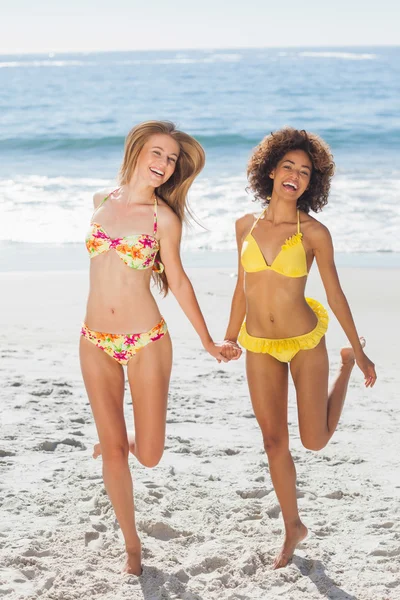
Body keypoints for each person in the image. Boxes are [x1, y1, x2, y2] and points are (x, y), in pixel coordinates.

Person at [80, 121, 237, 576]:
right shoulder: (100, 202)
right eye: (157, 153)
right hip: (94, 340)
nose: (164, 165)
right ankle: (132, 546)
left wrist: (208, 340)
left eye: (171, 159)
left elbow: (179, 280)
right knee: (113, 453)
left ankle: (123, 441)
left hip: (147, 340)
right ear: (136, 150)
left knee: (148, 454)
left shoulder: (162, 219)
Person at [222, 127, 377, 569]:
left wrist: (357, 351)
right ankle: (293, 526)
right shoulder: (244, 226)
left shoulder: (314, 232)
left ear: (313, 183)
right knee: (274, 441)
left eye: (305, 171)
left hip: (305, 341)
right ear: (270, 170)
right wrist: (230, 336)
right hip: (259, 345)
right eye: (288, 166)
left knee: (314, 441)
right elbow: (241, 288)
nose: (295, 175)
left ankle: (343, 368)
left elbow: (336, 294)